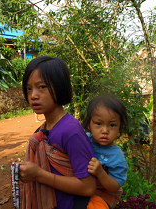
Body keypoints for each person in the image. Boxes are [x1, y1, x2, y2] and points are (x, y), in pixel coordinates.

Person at [19, 56, 96, 209]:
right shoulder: (44, 129)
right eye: (29, 88)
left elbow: (88, 187)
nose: (33, 95)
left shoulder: (70, 131)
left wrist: (39, 175)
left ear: (59, 87)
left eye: (41, 87)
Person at [82, 94, 129, 209]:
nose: (105, 131)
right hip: (80, 189)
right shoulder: (83, 140)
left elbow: (115, 187)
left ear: (119, 128)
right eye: (99, 123)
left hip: (102, 197)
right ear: (89, 124)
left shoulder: (117, 157)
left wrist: (100, 173)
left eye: (112, 125)